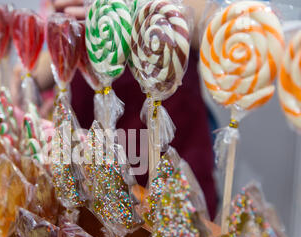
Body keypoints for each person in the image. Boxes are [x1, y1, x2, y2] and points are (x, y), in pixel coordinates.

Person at [14, 0, 218, 219]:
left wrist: (135, 7)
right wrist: (52, 62)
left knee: (160, 233)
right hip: (89, 124)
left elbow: (219, 23)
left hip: (162, 130)